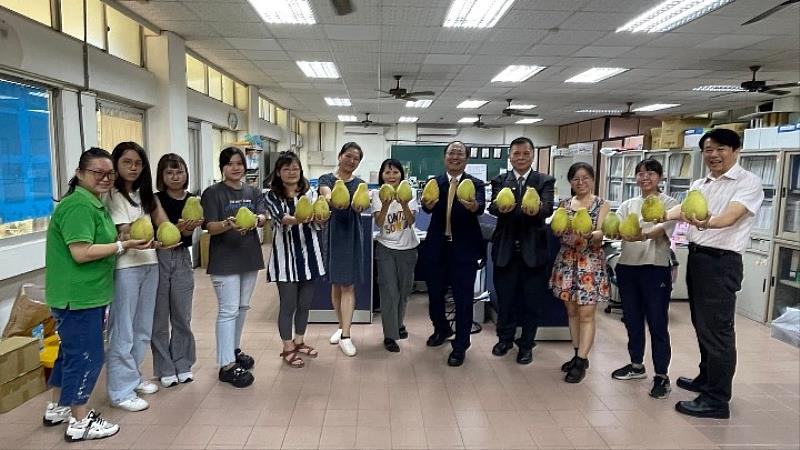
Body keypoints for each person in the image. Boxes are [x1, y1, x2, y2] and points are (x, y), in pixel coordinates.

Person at [43, 148, 149, 441]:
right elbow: (81, 252)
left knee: (69, 354)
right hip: (78, 297)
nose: (105, 177)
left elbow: (99, 240)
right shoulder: (79, 205)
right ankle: (80, 421)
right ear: (80, 174)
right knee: (87, 357)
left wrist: (124, 236)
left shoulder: (93, 203)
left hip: (82, 295)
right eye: (97, 172)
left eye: (109, 173)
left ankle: (57, 407)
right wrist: (122, 247)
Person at [663, 128, 763, 419]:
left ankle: (717, 400)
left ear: (735, 150)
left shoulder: (748, 183)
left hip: (722, 262)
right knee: (701, 324)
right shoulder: (701, 182)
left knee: (718, 331)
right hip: (699, 259)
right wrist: (661, 216)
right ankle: (706, 379)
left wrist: (708, 222)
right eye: (708, 150)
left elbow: (731, 216)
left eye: (720, 149)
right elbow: (683, 209)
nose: (713, 155)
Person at [610, 158, 679, 399]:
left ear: (659, 177)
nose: (645, 177)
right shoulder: (628, 204)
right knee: (632, 320)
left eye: (650, 173)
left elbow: (659, 231)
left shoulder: (670, 204)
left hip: (655, 267)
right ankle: (636, 365)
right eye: (640, 173)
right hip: (628, 266)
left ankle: (661, 375)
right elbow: (615, 228)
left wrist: (641, 234)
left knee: (658, 323)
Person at [201, 147, 267, 387]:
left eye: (239, 163)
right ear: (222, 167)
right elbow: (209, 226)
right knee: (228, 310)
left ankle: (234, 350)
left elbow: (262, 216)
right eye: (230, 164)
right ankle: (226, 364)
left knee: (242, 307)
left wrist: (258, 220)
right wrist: (228, 224)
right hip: (225, 260)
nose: (235, 167)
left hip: (249, 257)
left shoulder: (253, 191)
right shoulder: (213, 193)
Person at [105, 141, 164, 412]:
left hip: (150, 263)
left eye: (138, 163)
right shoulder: (113, 196)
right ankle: (120, 390)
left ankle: (134, 376)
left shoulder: (144, 196)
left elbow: (161, 226)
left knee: (142, 329)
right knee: (124, 329)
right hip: (125, 267)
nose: (133, 167)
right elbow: (124, 231)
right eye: (127, 162)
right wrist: (142, 231)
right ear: (116, 164)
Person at [488, 137, 555, 365]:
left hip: (533, 253)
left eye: (526, 153)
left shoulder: (544, 181)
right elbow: (494, 207)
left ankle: (526, 345)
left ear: (532, 155)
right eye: (516, 154)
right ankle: (504, 339)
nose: (521, 157)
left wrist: (532, 211)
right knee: (505, 300)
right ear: (510, 156)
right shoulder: (500, 180)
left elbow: (546, 209)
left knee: (531, 302)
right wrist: (501, 208)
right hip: (505, 251)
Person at [421, 141, 486, 367]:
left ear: (466, 159)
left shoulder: (475, 184)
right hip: (437, 248)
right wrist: (427, 203)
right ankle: (441, 329)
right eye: (451, 153)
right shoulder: (434, 183)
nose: (455, 157)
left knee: (463, 300)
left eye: (460, 154)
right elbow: (426, 208)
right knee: (435, 296)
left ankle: (460, 345)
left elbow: (480, 206)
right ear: (444, 157)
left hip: (464, 250)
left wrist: (473, 206)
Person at [549, 162, 610, 383]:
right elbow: (558, 229)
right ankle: (576, 353)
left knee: (587, 314)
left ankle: (583, 360)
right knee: (572, 312)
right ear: (570, 182)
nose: (581, 182)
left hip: (589, 263)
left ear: (592, 179)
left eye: (585, 178)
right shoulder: (565, 204)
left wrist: (588, 233)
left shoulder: (602, 204)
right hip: (566, 261)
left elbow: (601, 233)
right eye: (576, 179)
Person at [264, 152, 326, 368]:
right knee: (288, 305)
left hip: (309, 257)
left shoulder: (309, 194)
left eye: (295, 169)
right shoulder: (272, 196)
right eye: (287, 169)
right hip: (285, 260)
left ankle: (299, 341)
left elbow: (318, 224)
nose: (292, 173)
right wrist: (300, 218)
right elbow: (282, 219)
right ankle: (287, 346)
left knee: (305, 304)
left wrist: (321, 217)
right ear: (279, 173)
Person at [151, 153, 203, 387]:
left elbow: (188, 235)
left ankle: (183, 363)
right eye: (169, 172)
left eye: (179, 172)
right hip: (158, 257)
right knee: (159, 318)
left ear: (186, 174)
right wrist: (177, 229)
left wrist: (187, 230)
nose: (175, 177)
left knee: (182, 315)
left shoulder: (193, 200)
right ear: (161, 176)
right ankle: (164, 367)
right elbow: (163, 230)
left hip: (182, 257)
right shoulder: (154, 199)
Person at [318, 142, 368, 357]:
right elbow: (327, 195)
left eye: (356, 158)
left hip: (351, 236)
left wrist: (360, 205)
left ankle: (346, 336)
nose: (351, 161)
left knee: (348, 285)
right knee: (336, 284)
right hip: (332, 235)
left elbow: (362, 205)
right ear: (339, 156)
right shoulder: (326, 179)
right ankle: (341, 326)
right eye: (348, 156)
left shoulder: (360, 184)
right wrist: (332, 200)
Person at [372, 158, 420, 353]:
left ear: (401, 174)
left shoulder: (410, 192)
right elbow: (379, 223)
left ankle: (398, 324)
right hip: (386, 249)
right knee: (389, 292)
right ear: (382, 176)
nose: (391, 176)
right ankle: (390, 335)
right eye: (387, 173)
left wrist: (405, 204)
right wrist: (385, 204)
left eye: (395, 172)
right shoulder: (377, 193)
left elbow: (410, 221)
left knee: (403, 291)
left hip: (408, 249)